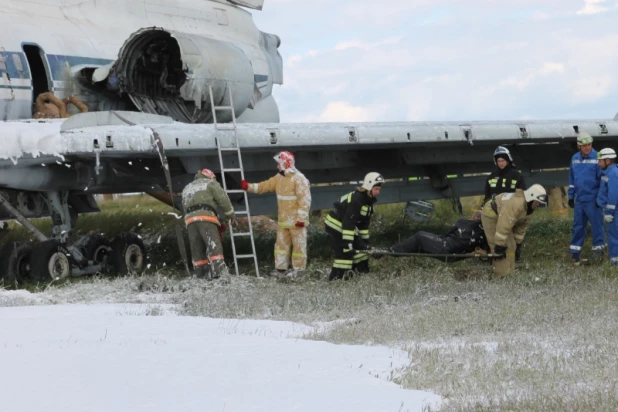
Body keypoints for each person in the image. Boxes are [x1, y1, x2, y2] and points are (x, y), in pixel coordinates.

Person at [241, 151, 311, 277]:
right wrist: (249, 187)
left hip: (297, 222)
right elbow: (264, 186)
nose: (277, 166)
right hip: (284, 221)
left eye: (279, 164)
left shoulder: (299, 179)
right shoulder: (279, 178)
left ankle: (299, 270)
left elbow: (304, 200)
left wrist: (301, 218)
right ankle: (281, 269)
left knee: (299, 246)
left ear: (285, 163)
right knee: (281, 246)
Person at [324, 172, 384, 280]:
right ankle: (336, 281)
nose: (378, 192)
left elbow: (363, 227)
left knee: (362, 253)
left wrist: (366, 247)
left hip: (346, 226)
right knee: (344, 255)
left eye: (379, 189)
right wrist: (348, 244)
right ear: (369, 187)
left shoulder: (368, 203)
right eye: (376, 189)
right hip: (335, 225)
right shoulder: (357, 200)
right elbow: (348, 224)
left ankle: (359, 276)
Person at [481, 184, 547, 276]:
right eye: (537, 201)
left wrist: (518, 244)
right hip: (491, 214)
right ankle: (501, 276)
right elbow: (503, 226)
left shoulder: (529, 208)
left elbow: (520, 227)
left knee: (512, 246)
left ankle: (510, 272)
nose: (538, 204)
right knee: (500, 249)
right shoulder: (516, 205)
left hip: (502, 216)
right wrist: (499, 245)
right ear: (531, 198)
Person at [182, 168, 235, 280]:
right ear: (210, 176)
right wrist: (231, 215)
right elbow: (223, 199)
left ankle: (201, 276)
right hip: (205, 218)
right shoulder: (210, 183)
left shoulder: (188, 187)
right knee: (214, 247)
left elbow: (184, 204)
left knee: (197, 250)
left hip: (190, 221)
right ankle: (219, 275)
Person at [376, 211, 488, 262]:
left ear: (473, 217)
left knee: (419, 237)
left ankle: (390, 251)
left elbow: (449, 233)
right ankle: (393, 252)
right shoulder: (482, 234)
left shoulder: (464, 221)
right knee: (421, 246)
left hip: (445, 248)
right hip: (455, 256)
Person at [568, 132, 606, 263]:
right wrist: (571, 196)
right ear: (579, 146)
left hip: (593, 199)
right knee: (578, 226)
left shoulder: (598, 157)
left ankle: (598, 253)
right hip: (580, 199)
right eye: (584, 145)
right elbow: (572, 178)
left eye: (589, 145)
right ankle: (575, 253)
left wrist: (600, 199)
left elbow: (602, 180)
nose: (588, 147)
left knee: (597, 226)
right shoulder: (574, 158)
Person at [597, 148, 618, 265]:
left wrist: (609, 212)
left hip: (614, 211)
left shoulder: (613, 174)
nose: (599, 163)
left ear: (608, 161)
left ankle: (615, 262)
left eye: (600, 161)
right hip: (613, 210)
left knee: (614, 236)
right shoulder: (609, 172)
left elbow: (613, 194)